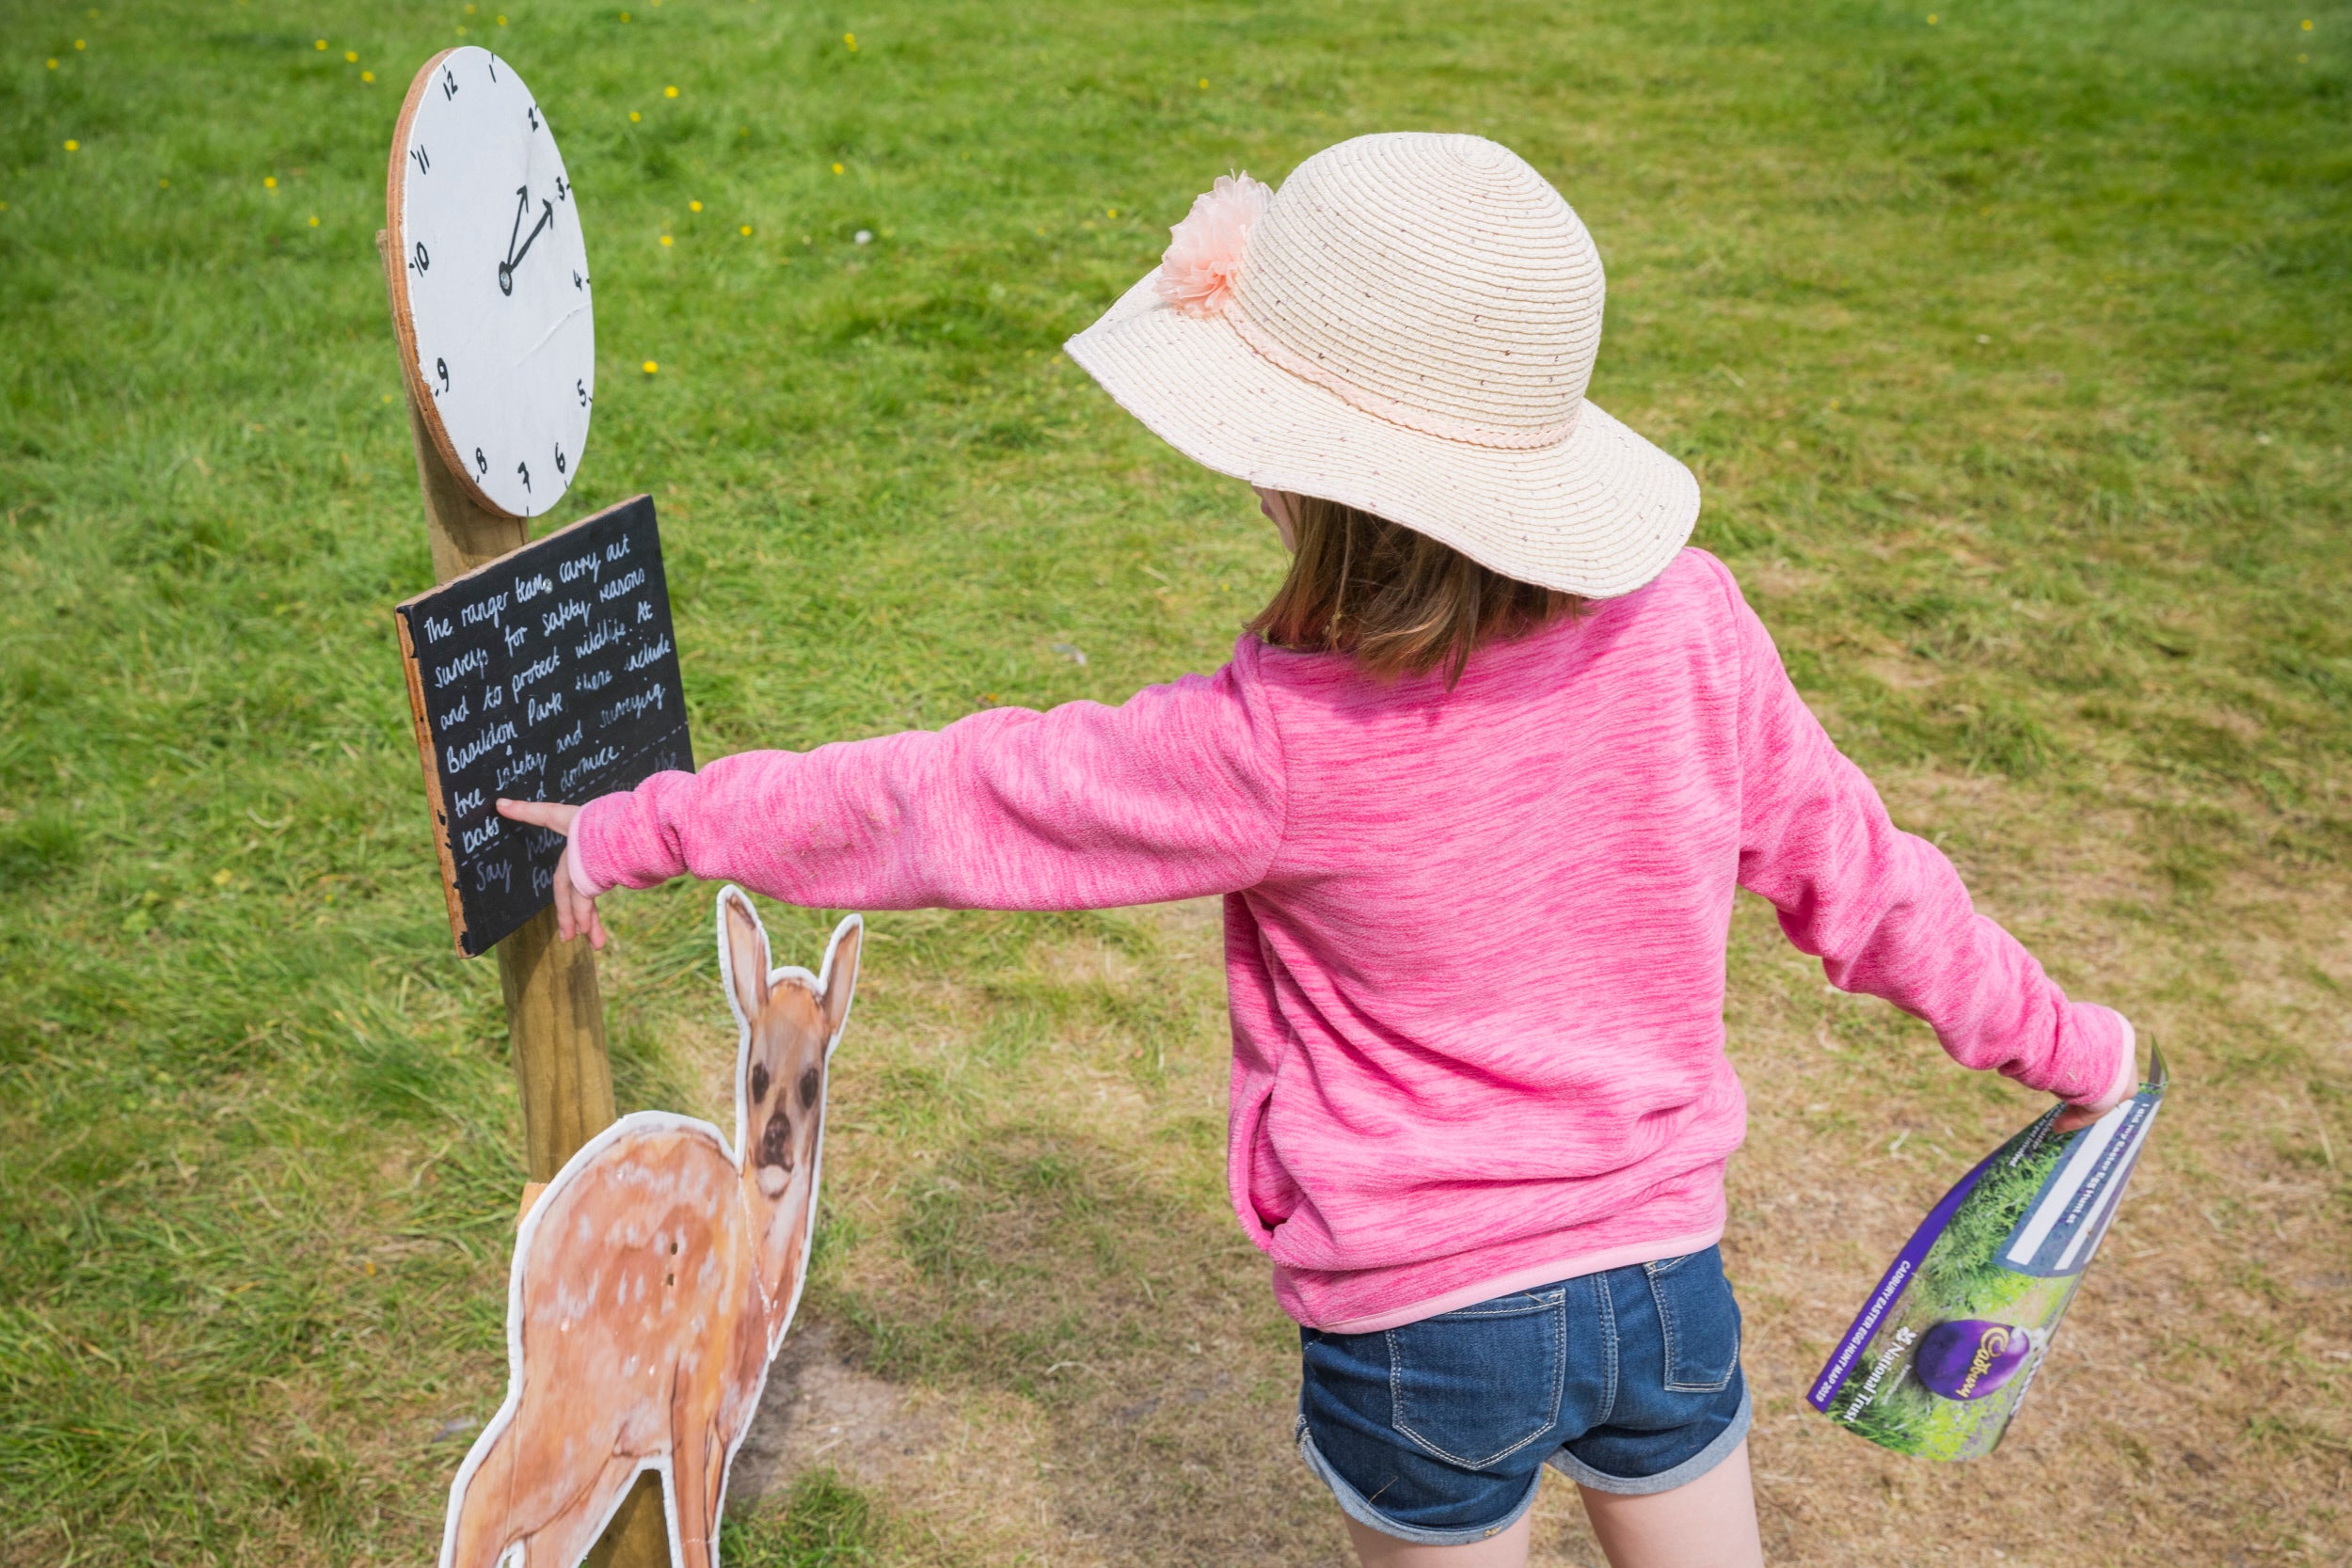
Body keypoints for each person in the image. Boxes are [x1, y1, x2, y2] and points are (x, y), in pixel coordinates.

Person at [500, 134, 2137, 1568]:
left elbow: (948, 801)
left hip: (1426, 1335)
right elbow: (1871, 879)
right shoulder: (1696, 631)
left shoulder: (1272, 742)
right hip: (1668, 1293)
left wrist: (656, 822)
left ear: (1304, 479)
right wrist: (2073, 1046)